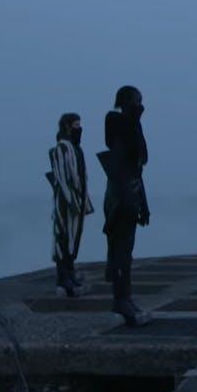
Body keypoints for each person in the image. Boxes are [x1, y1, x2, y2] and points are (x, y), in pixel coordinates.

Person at [98, 85, 152, 326]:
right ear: (127, 102)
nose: (141, 106)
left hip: (131, 193)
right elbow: (121, 163)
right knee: (120, 251)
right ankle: (121, 301)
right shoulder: (118, 124)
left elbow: (138, 168)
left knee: (126, 253)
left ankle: (126, 298)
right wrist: (130, 202)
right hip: (120, 198)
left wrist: (143, 203)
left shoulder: (131, 126)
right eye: (137, 101)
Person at [47, 113, 94, 297]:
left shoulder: (76, 149)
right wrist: (72, 202)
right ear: (67, 126)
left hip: (77, 202)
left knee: (74, 237)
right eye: (76, 125)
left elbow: (81, 178)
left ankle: (70, 271)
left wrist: (84, 202)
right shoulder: (61, 148)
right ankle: (62, 276)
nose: (79, 128)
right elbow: (61, 179)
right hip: (65, 204)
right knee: (63, 237)